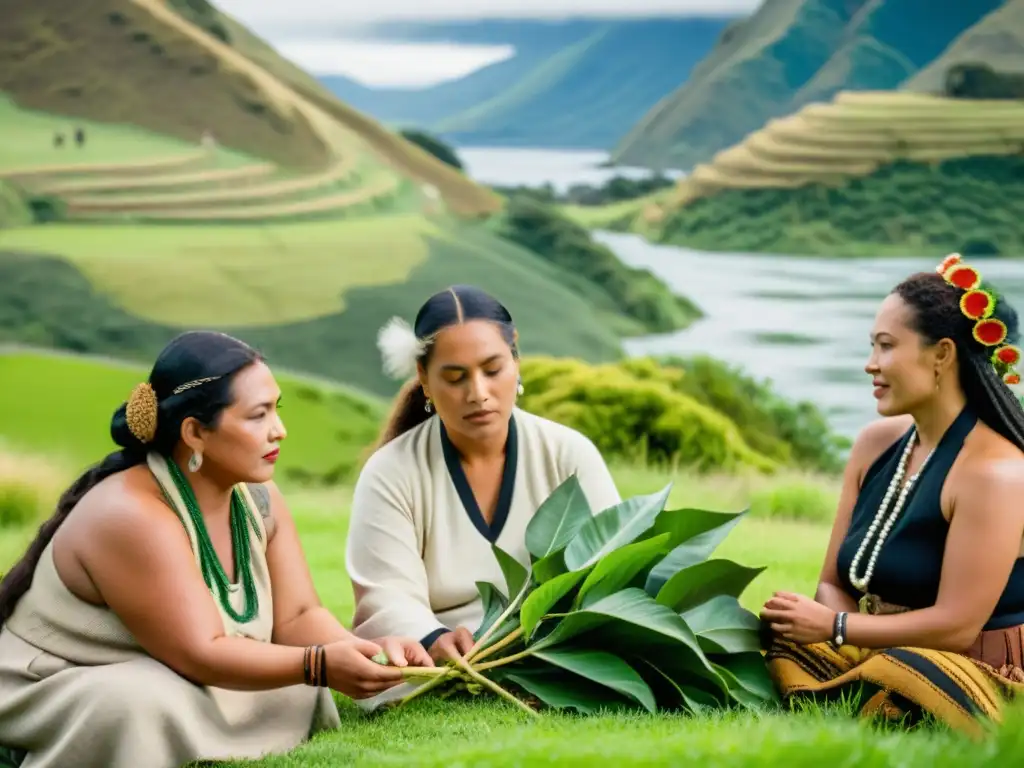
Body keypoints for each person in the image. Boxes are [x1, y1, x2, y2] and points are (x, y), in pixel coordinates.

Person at [0, 331, 430, 768]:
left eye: (275, 411)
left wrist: (369, 654)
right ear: (195, 432)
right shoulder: (130, 514)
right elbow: (202, 652)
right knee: (136, 703)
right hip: (68, 680)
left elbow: (298, 616)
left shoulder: (257, 499)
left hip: (172, 669)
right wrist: (319, 665)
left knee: (292, 684)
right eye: (258, 416)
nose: (278, 430)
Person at [760, 253, 1024, 736]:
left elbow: (957, 627)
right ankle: (863, 681)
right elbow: (835, 581)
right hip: (881, 649)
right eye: (872, 346)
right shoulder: (875, 443)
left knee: (905, 674)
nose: (870, 365)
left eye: (885, 347)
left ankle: (870, 686)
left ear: (942, 354)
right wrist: (831, 630)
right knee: (774, 637)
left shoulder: (996, 473)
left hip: (973, 667)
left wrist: (835, 631)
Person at [345, 285, 622, 666]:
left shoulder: (568, 455)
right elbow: (385, 595)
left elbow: (615, 564)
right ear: (424, 378)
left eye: (492, 370)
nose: (478, 393)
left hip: (552, 652)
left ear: (516, 358)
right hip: (438, 662)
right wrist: (432, 638)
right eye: (455, 378)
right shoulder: (390, 472)